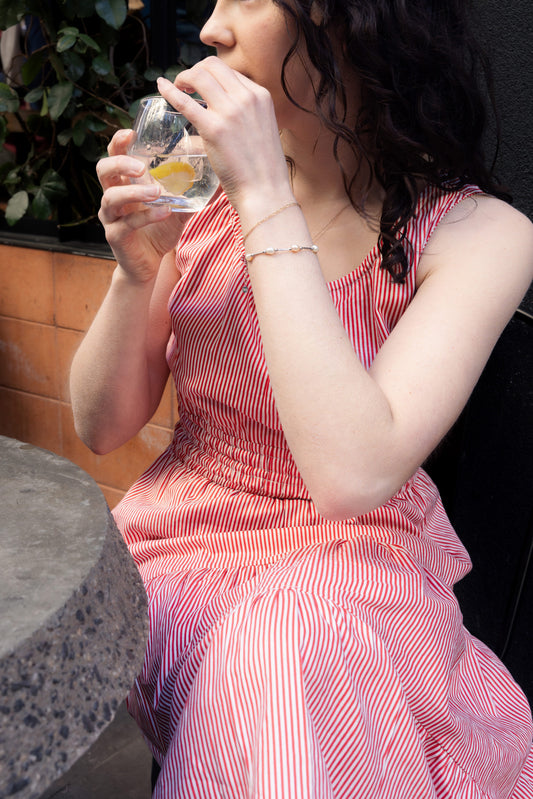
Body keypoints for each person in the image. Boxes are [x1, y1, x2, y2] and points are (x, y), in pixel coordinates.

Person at [70, 0, 533, 795]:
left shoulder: (477, 235)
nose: (211, 30)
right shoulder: (199, 186)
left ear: (351, 22)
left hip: (353, 559)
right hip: (179, 542)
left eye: (245, 2)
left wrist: (262, 194)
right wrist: (136, 272)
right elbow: (101, 426)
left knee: (283, 644)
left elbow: (351, 475)